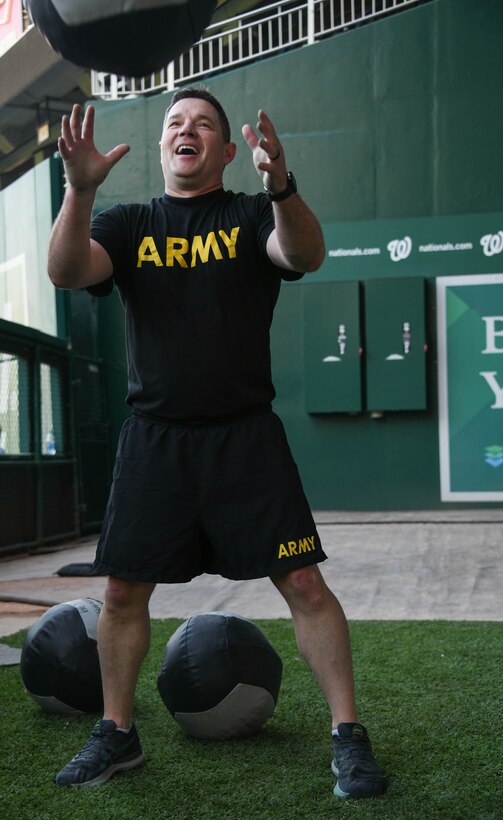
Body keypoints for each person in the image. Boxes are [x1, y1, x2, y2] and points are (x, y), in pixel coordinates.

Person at [48, 87, 386, 799]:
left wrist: (280, 187)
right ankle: (117, 734)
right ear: (164, 143)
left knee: (302, 583)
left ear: (226, 151)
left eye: (203, 124)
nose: (186, 130)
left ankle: (347, 735)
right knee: (119, 592)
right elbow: (68, 271)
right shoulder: (129, 221)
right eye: (176, 122)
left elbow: (306, 253)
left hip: (245, 439)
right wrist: (78, 191)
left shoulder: (248, 213)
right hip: (155, 441)